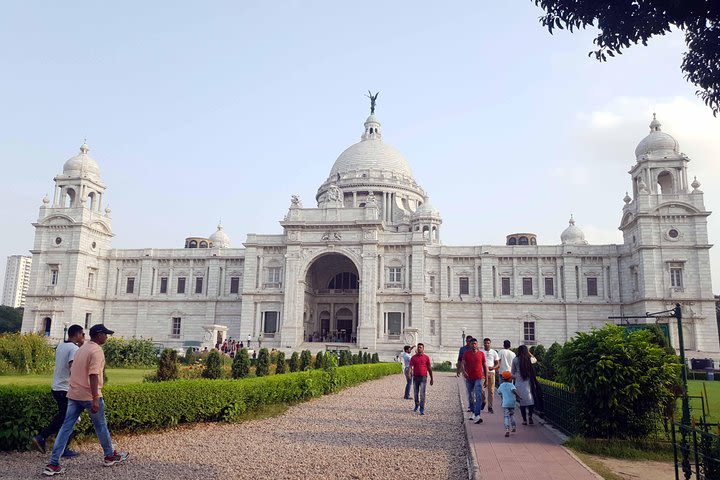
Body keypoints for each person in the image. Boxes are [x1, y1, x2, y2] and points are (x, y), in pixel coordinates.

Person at [43, 324, 129, 476]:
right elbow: (94, 374)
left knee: (65, 428)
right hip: (89, 395)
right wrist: (95, 398)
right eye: (105, 334)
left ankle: (53, 463)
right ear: (99, 335)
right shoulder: (96, 350)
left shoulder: (81, 348)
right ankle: (109, 456)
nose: (107, 337)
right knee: (101, 426)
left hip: (74, 394)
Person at [33, 325, 85, 457]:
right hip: (66, 388)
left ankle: (47, 440)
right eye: (82, 334)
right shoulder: (73, 348)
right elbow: (73, 368)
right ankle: (55, 444)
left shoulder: (62, 345)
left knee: (66, 417)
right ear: (77, 334)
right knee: (70, 418)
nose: (83, 336)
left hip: (57, 387)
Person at [460, 338, 487, 424]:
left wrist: (486, 378)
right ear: (470, 345)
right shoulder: (466, 354)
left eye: (475, 344)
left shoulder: (481, 354)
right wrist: (464, 372)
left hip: (479, 377)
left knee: (478, 396)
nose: (474, 345)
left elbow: (485, 366)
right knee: (471, 396)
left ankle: (477, 415)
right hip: (469, 378)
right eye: (472, 344)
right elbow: (463, 363)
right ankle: (472, 411)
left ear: (477, 344)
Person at [511, 344, 536, 425]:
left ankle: (524, 420)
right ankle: (530, 417)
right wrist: (529, 353)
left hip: (519, 383)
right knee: (530, 400)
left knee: (522, 402)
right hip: (528, 383)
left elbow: (512, 373)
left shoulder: (515, 360)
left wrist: (517, 377)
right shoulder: (529, 359)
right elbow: (535, 359)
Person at [408, 343, 433, 415]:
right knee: (415, 393)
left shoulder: (426, 357)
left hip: (423, 378)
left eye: (420, 347)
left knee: (422, 394)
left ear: (423, 349)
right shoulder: (413, 357)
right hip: (415, 378)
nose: (419, 348)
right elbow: (410, 366)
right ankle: (416, 405)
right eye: (418, 347)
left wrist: (432, 378)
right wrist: (409, 373)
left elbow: (429, 368)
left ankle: (422, 408)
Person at [497, 371, 522, 437]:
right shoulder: (511, 385)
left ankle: (507, 429)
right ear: (509, 378)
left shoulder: (501, 385)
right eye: (511, 378)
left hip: (505, 404)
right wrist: (518, 396)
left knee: (506, 416)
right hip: (512, 403)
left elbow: (498, 392)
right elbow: (514, 390)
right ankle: (513, 427)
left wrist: (503, 393)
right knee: (512, 415)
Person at [456, 336, 477, 413]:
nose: (468, 343)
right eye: (467, 341)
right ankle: (469, 405)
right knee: (468, 389)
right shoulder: (462, 349)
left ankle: (474, 403)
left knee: (475, 389)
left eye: (469, 341)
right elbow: (459, 359)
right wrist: (458, 370)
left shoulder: (475, 350)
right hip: (465, 372)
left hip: (474, 372)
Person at [482, 338, 500, 413]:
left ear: (490, 343)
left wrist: (493, 367)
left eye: (488, 343)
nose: (487, 344)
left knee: (491, 391)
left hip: (491, 372)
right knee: (480, 389)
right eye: (485, 343)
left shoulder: (494, 352)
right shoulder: (481, 352)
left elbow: (497, 363)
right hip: (482, 373)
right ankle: (483, 401)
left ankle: (490, 407)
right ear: (483, 344)